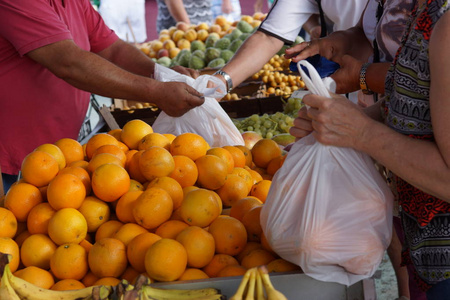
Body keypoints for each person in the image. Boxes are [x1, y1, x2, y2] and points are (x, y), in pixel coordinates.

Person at [289, 0, 450, 298]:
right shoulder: (424, 10)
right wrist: (345, 122)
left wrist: (362, 132)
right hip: (426, 252)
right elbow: (415, 99)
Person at [0, 0, 205, 193]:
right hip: (21, 156)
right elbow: (69, 62)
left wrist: (160, 73)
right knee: (23, 220)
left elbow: (112, 48)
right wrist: (156, 91)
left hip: (64, 148)